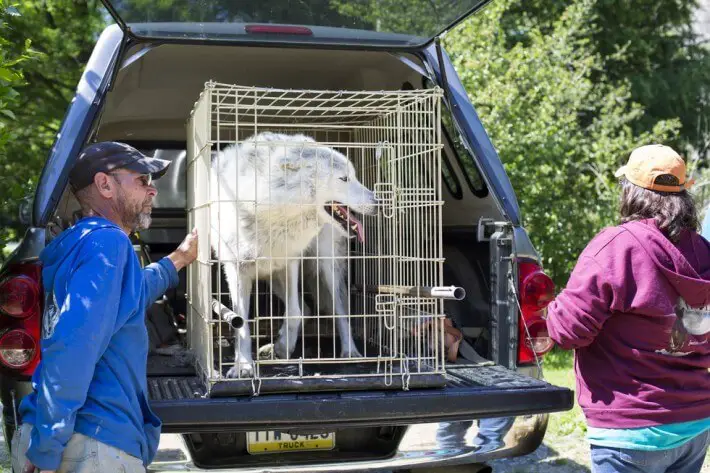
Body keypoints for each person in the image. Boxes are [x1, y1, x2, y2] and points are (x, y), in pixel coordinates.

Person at [10, 142, 198, 473]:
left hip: (75, 438)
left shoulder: (86, 242)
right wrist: (48, 446)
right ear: (105, 184)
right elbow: (74, 345)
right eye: (142, 180)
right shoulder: (107, 244)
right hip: (90, 446)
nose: (153, 190)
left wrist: (177, 261)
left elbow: (127, 296)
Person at [545, 144, 709, 473]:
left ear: (631, 192)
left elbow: (567, 331)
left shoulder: (616, 247)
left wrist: (550, 307)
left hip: (629, 427)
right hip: (694, 424)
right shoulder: (704, 252)